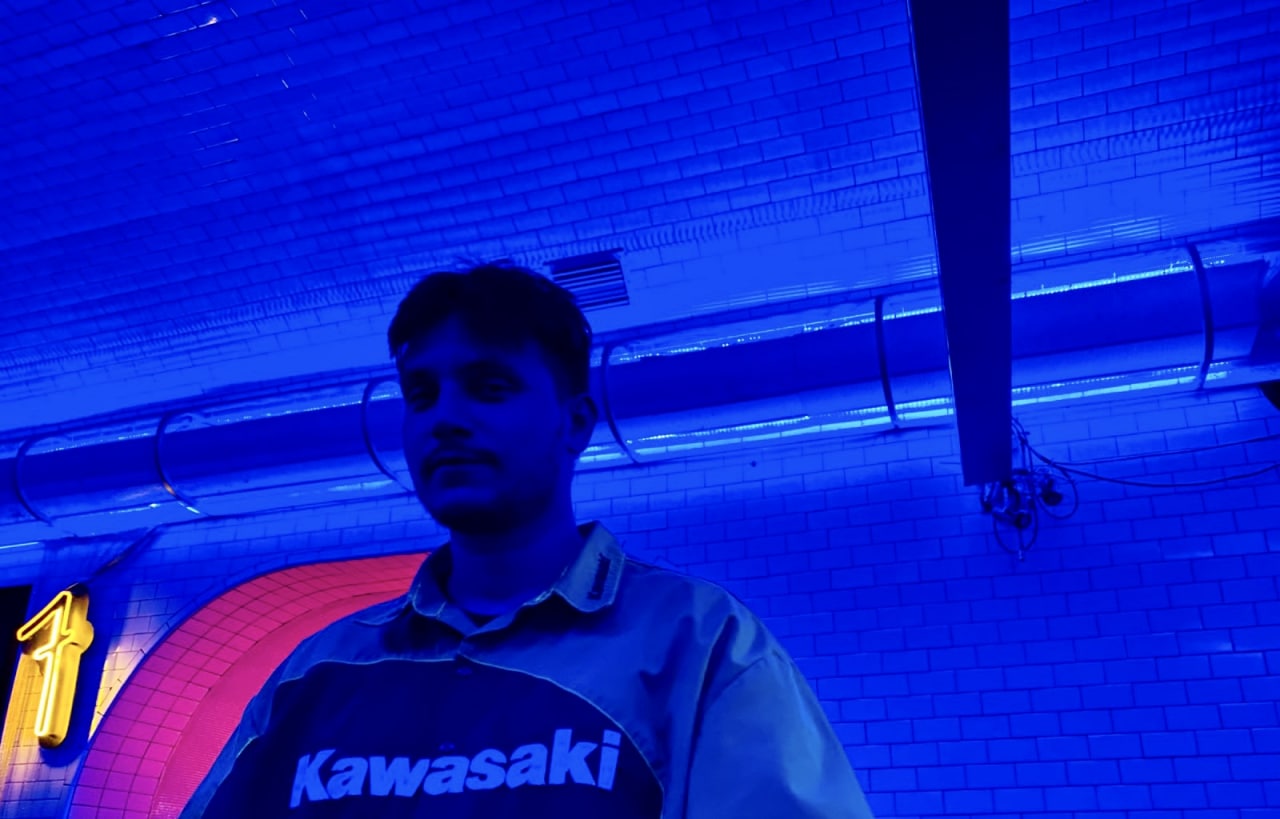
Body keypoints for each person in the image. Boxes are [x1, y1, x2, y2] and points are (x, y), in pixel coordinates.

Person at [180, 263, 875, 817]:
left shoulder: (697, 642)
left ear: (575, 424)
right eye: (421, 394)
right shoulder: (316, 672)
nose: (445, 417)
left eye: (489, 387)